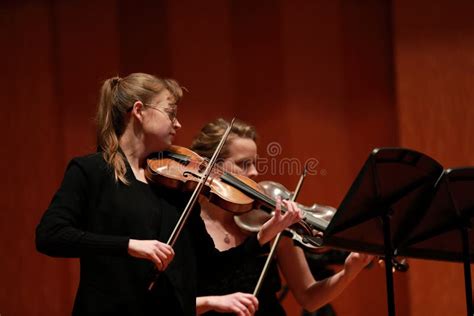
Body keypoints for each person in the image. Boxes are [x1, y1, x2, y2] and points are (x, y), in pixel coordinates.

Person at [35, 73, 302, 316]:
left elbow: (211, 266)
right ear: (138, 111)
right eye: (170, 113)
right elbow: (50, 235)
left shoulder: (175, 188)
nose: (178, 123)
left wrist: (266, 233)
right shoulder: (92, 171)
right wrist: (130, 245)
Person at [191, 118, 374, 315]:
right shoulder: (185, 225)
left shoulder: (269, 220)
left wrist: (348, 272)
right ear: (211, 166)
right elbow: (170, 304)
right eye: (243, 164)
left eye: (254, 163)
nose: (254, 172)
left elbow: (310, 298)